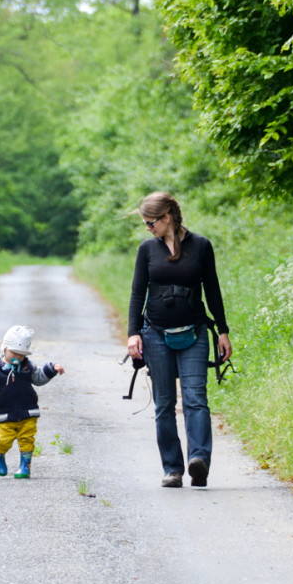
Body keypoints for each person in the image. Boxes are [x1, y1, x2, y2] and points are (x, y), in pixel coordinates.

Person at [126, 192, 232, 488]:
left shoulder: (201, 246)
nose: (148, 228)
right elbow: (137, 294)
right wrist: (133, 333)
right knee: (164, 403)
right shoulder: (147, 249)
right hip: (155, 334)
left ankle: (199, 462)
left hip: (195, 332)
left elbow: (212, 290)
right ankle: (172, 469)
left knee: (196, 400)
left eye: (150, 223)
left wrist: (222, 331)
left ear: (167, 218)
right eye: (146, 224)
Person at [0, 325, 65, 479]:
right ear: (4, 348)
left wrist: (51, 369)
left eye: (22, 355)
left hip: (28, 412)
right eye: (14, 353)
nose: (18, 357)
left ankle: (24, 466)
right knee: (4, 441)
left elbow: (39, 378)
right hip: (5, 414)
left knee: (27, 440)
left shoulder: (28, 367)